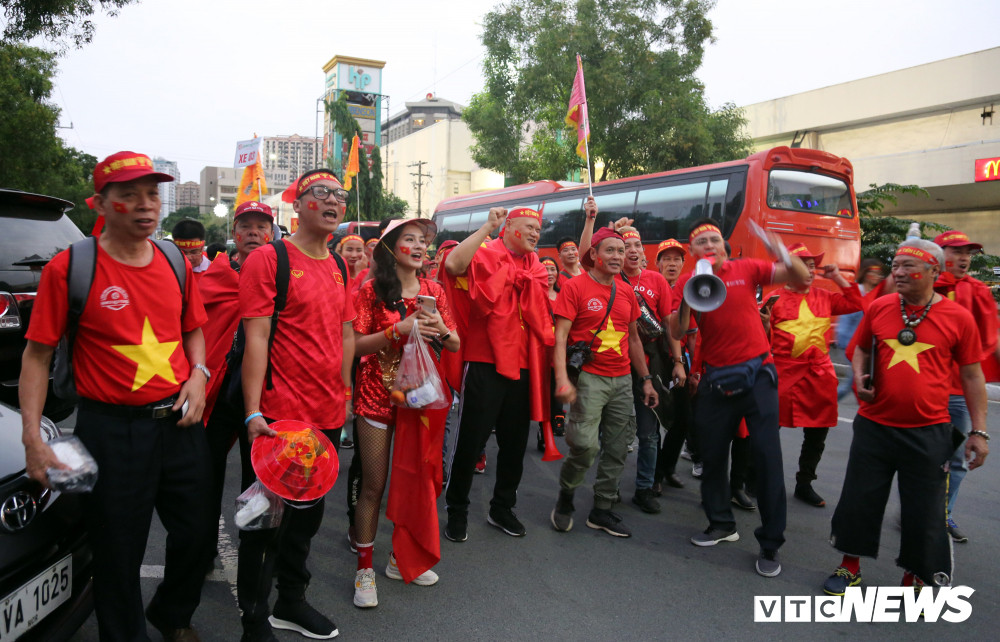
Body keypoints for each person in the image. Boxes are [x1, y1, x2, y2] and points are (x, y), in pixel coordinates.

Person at [20, 151, 212, 640]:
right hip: (111, 429)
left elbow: (194, 330)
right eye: (130, 195)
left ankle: (171, 614)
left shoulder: (173, 260)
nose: (146, 205)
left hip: (178, 422)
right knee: (118, 553)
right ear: (101, 204)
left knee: (197, 534)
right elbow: (36, 358)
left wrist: (199, 376)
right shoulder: (70, 268)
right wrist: (32, 441)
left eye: (152, 193)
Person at [824, 239, 989, 595]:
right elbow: (862, 349)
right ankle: (849, 567)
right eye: (895, 265)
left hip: (929, 431)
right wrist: (859, 375)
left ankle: (914, 575)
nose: (897, 273)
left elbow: (974, 376)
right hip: (875, 427)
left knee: (923, 511)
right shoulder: (880, 307)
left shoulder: (958, 317)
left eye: (907, 267)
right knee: (859, 500)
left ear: (933, 272)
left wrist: (979, 431)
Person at [238, 169, 355, 641]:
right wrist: (252, 412)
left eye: (339, 195)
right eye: (321, 193)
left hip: (325, 418)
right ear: (298, 204)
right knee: (264, 522)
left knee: (306, 521)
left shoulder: (340, 265)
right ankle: (253, 618)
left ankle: (290, 602)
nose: (333, 201)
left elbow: (345, 334)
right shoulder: (270, 260)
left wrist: (344, 394)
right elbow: (257, 338)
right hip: (280, 420)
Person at [669, 218, 808, 578]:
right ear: (693, 252)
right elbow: (677, 331)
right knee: (712, 455)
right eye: (702, 242)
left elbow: (796, 277)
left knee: (766, 455)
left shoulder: (745, 269)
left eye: (716, 240)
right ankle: (721, 524)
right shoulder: (688, 281)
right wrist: (686, 301)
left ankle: (771, 542)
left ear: (724, 248)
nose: (710, 245)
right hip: (717, 377)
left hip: (758, 372)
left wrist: (779, 247)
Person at [350, 218, 459, 607]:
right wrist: (401, 329)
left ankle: (401, 558)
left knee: (416, 483)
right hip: (376, 398)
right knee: (374, 485)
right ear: (391, 248)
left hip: (420, 403)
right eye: (409, 239)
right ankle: (365, 568)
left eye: (423, 241)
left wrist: (437, 327)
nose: (419, 247)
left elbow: (456, 343)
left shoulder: (434, 291)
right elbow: (356, 346)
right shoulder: (369, 292)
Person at [440, 205, 555, 542]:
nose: (535, 233)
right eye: (529, 227)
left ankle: (502, 506)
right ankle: (457, 508)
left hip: (523, 364)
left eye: (538, 228)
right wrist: (485, 228)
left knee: (515, 443)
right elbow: (452, 265)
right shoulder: (486, 251)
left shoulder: (535, 265)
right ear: (508, 227)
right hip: (484, 359)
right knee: (471, 441)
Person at [550, 226, 659, 537]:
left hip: (623, 380)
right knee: (584, 445)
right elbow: (560, 338)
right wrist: (561, 378)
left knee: (617, 448)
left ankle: (602, 509)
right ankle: (567, 494)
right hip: (589, 379)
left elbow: (635, 339)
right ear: (593, 255)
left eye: (621, 251)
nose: (617, 256)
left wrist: (646, 380)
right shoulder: (575, 287)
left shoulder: (626, 291)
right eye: (610, 250)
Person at [198, 200, 276, 569]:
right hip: (216, 395)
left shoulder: (281, 279)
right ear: (234, 233)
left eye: (261, 226)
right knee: (205, 473)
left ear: (272, 234)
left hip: (262, 400)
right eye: (245, 226)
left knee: (258, 480)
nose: (253, 233)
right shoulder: (215, 278)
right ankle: (202, 545)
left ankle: (254, 555)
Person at [767, 243, 863, 508]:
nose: (809, 271)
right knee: (767, 430)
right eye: (803, 265)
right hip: (783, 373)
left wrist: (838, 277)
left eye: (812, 266)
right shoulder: (773, 299)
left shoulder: (824, 296)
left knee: (817, 433)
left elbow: (857, 303)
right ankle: (758, 477)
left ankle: (804, 483)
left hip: (819, 375)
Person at [932, 230, 999, 544]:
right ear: (938, 252)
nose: (964, 258)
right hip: (925, 388)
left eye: (968, 252)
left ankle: (942, 514)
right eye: (956, 250)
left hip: (959, 392)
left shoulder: (979, 291)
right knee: (920, 458)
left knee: (956, 460)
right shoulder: (923, 284)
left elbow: (991, 339)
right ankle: (918, 511)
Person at [618, 228, 685, 514]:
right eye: (625, 246)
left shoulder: (656, 281)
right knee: (613, 433)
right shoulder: (608, 278)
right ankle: (606, 489)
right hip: (615, 364)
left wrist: (679, 361)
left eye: (636, 245)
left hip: (651, 364)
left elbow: (669, 325)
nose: (632, 250)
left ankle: (645, 487)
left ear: (643, 253)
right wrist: (590, 219)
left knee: (648, 432)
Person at [653, 239, 696, 490]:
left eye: (676, 259)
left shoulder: (691, 288)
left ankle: (666, 467)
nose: (672, 263)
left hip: (684, 363)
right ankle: (653, 475)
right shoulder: (652, 287)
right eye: (666, 259)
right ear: (658, 263)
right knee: (655, 420)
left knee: (683, 418)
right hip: (659, 361)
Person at [835, 259, 885, 398]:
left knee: (856, 382)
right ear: (866, 273)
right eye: (873, 272)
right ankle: (824, 406)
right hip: (849, 344)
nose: (877, 276)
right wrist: (846, 345)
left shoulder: (876, 294)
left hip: (863, 344)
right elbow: (846, 321)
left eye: (879, 273)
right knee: (852, 383)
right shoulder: (857, 292)